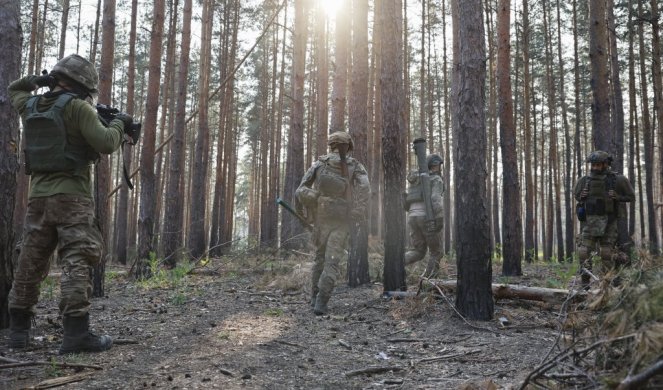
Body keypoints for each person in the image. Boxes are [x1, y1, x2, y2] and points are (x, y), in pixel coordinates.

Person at [7, 54, 135, 354]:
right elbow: (105, 143)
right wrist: (119, 123)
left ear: (57, 77)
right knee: (77, 260)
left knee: (30, 262)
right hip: (73, 198)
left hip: (38, 198)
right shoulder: (79, 108)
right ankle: (76, 333)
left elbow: (15, 89)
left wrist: (39, 81)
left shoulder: (32, 104)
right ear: (83, 84)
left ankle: (18, 333)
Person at [295, 131, 370, 315]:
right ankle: (321, 302)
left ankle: (314, 299)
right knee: (332, 262)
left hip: (322, 219)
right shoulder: (355, 165)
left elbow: (301, 189)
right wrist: (357, 211)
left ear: (331, 145)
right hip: (343, 221)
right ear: (348, 145)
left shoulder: (319, 164)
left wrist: (316, 200)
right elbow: (365, 189)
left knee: (319, 259)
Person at [574, 150, 635, 287]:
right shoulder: (584, 181)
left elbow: (631, 197)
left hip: (609, 222)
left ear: (606, 164)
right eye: (593, 165)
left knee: (607, 254)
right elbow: (577, 197)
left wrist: (617, 197)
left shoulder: (618, 180)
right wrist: (582, 196)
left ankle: (609, 285)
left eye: (598, 165)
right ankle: (585, 284)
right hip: (589, 223)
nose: (595, 167)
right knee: (583, 252)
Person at [404, 154, 444, 277]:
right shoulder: (435, 179)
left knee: (418, 251)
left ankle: (394, 265)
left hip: (412, 217)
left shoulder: (416, 180)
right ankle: (429, 281)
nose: (439, 168)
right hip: (427, 218)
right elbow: (435, 198)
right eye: (438, 165)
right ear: (435, 166)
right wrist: (439, 218)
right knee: (436, 252)